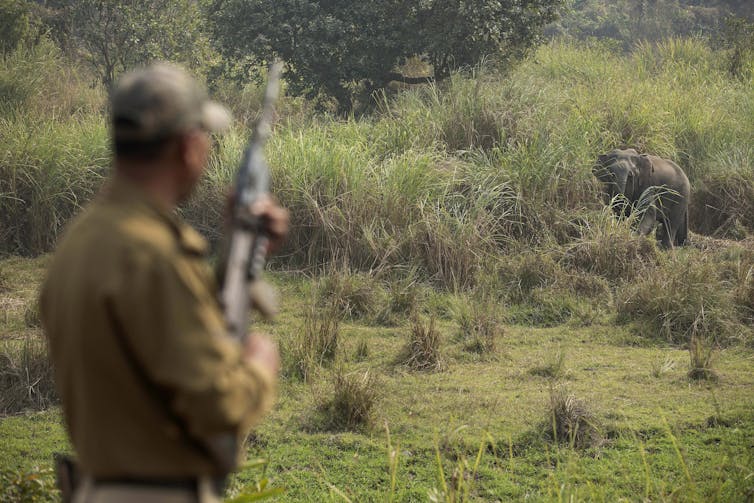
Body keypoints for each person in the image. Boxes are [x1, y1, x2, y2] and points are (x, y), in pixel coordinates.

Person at [39, 62, 289, 503]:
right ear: (190, 147)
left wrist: (237, 250)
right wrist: (261, 363)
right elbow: (218, 405)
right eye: (205, 139)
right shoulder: (152, 254)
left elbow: (154, 337)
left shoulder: (83, 240)